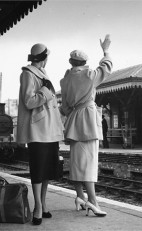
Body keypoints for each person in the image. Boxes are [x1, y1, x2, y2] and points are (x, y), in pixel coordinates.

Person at [60, 35, 112, 217]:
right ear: (84, 62)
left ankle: (80, 197)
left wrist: (73, 111)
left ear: (70, 62)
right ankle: (93, 202)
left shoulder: (65, 80)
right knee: (89, 163)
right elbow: (106, 68)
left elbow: (64, 108)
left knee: (76, 162)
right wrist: (105, 50)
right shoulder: (90, 76)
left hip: (74, 121)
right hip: (89, 120)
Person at [16, 43, 64, 225]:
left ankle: (43, 204)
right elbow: (28, 101)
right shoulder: (27, 74)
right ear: (43, 58)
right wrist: (45, 92)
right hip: (38, 131)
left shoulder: (42, 74)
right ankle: (36, 207)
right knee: (38, 170)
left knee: (47, 170)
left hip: (49, 130)